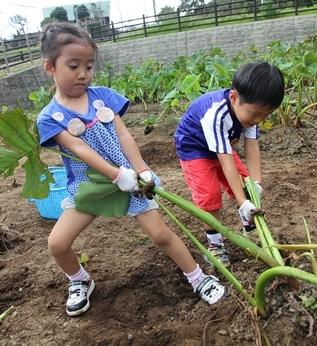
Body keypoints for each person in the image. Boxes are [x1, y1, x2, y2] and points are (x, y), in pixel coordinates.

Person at [36, 22, 227, 317]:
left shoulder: (103, 97)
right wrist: (116, 175)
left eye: (89, 65)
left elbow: (124, 135)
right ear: (50, 66)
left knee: (160, 234)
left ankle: (198, 278)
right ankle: (79, 280)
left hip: (131, 180)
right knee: (57, 243)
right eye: (73, 66)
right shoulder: (50, 117)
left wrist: (141, 170)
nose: (83, 74)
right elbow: (79, 149)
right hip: (91, 185)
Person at [174, 62, 285, 266]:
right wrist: (243, 202)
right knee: (210, 197)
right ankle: (215, 245)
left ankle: (251, 231)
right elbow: (225, 160)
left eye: (265, 115)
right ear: (234, 98)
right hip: (195, 149)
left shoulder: (252, 114)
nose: (258, 120)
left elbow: (251, 147)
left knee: (246, 185)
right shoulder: (216, 114)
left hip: (222, 145)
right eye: (254, 115)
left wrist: (256, 183)